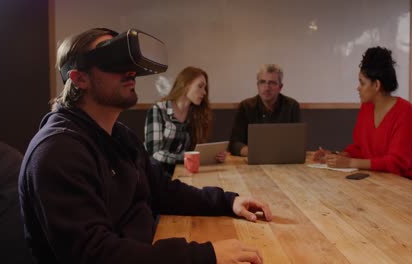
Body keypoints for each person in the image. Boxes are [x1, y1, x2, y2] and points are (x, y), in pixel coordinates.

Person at [18, 28, 272, 264]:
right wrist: (206, 255)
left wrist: (228, 202)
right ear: (79, 78)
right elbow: (96, 255)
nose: (131, 71)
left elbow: (163, 190)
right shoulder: (57, 152)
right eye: (114, 60)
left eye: (130, 62)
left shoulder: (119, 136)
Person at [313, 46, 412, 183]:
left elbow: (395, 164)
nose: (357, 88)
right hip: (386, 180)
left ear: (376, 85)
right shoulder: (367, 107)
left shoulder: (406, 112)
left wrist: (349, 163)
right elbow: (360, 148)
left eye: (362, 83)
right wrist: (335, 156)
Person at [145, 66, 226, 175]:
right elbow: (154, 153)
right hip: (158, 176)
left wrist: (214, 156)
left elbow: (195, 151)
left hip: (184, 174)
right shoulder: (158, 110)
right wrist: (188, 157)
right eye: (200, 86)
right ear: (186, 85)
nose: (204, 92)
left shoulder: (196, 115)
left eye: (205, 88)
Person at [228, 64, 300, 157]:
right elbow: (234, 144)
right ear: (257, 85)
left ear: (280, 87)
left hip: (283, 161)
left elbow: (298, 143)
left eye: (272, 83)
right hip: (253, 160)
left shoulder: (292, 106)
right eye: (262, 82)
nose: (266, 88)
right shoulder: (245, 106)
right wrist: (254, 152)